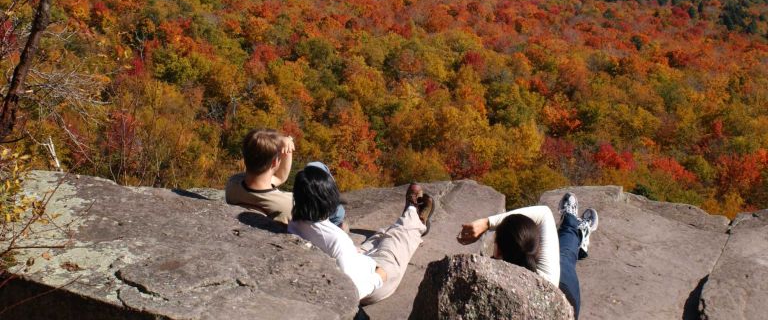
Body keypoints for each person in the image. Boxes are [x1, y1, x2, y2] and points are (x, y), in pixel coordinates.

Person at [288, 163, 434, 305]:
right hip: (372, 282)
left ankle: (410, 218)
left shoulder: (295, 223)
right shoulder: (336, 240)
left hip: (356, 261)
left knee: (381, 236)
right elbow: (353, 291)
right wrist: (379, 277)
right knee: (398, 239)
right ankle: (415, 216)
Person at [457, 192, 598, 319]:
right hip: (565, 297)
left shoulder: (488, 279)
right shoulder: (546, 278)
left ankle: (573, 223)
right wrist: (487, 223)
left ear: (498, 252)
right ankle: (576, 227)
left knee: (564, 254)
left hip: (560, 303)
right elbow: (544, 214)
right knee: (565, 255)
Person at [225, 129, 345, 227]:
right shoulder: (290, 204)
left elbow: (280, 178)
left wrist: (285, 151)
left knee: (316, 166)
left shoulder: (233, 184)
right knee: (338, 210)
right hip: (315, 224)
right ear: (275, 162)